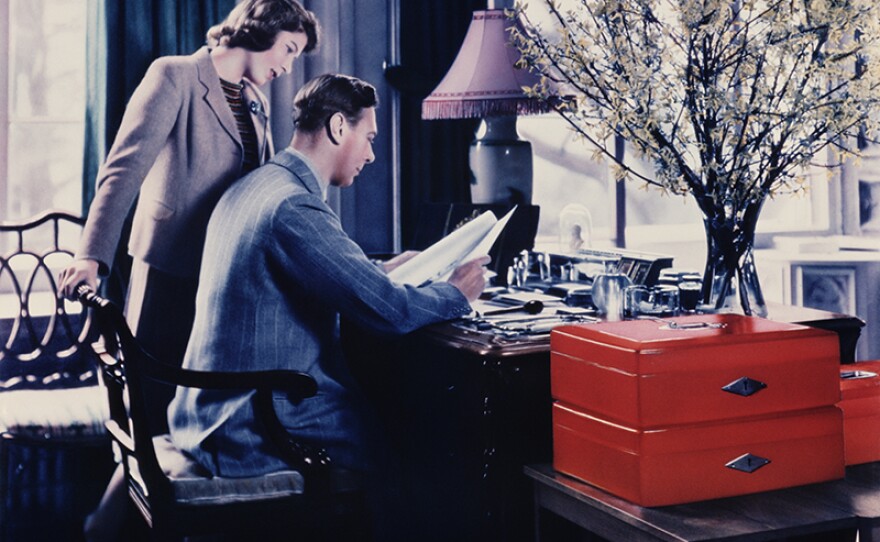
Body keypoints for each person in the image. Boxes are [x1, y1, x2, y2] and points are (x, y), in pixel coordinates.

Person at [167, 73, 487, 537]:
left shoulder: (257, 186)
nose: (372, 154)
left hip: (206, 409)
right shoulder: (294, 207)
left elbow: (328, 276)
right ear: (339, 127)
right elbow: (389, 314)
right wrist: (456, 293)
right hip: (252, 422)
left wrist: (385, 271)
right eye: (369, 137)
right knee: (410, 452)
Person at [60, 2, 320, 540]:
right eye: (289, 50)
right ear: (263, 29)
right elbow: (122, 169)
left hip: (223, 286)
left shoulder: (255, 101)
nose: (288, 67)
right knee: (154, 425)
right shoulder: (175, 75)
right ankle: (100, 531)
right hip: (169, 277)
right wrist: (93, 256)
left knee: (191, 431)